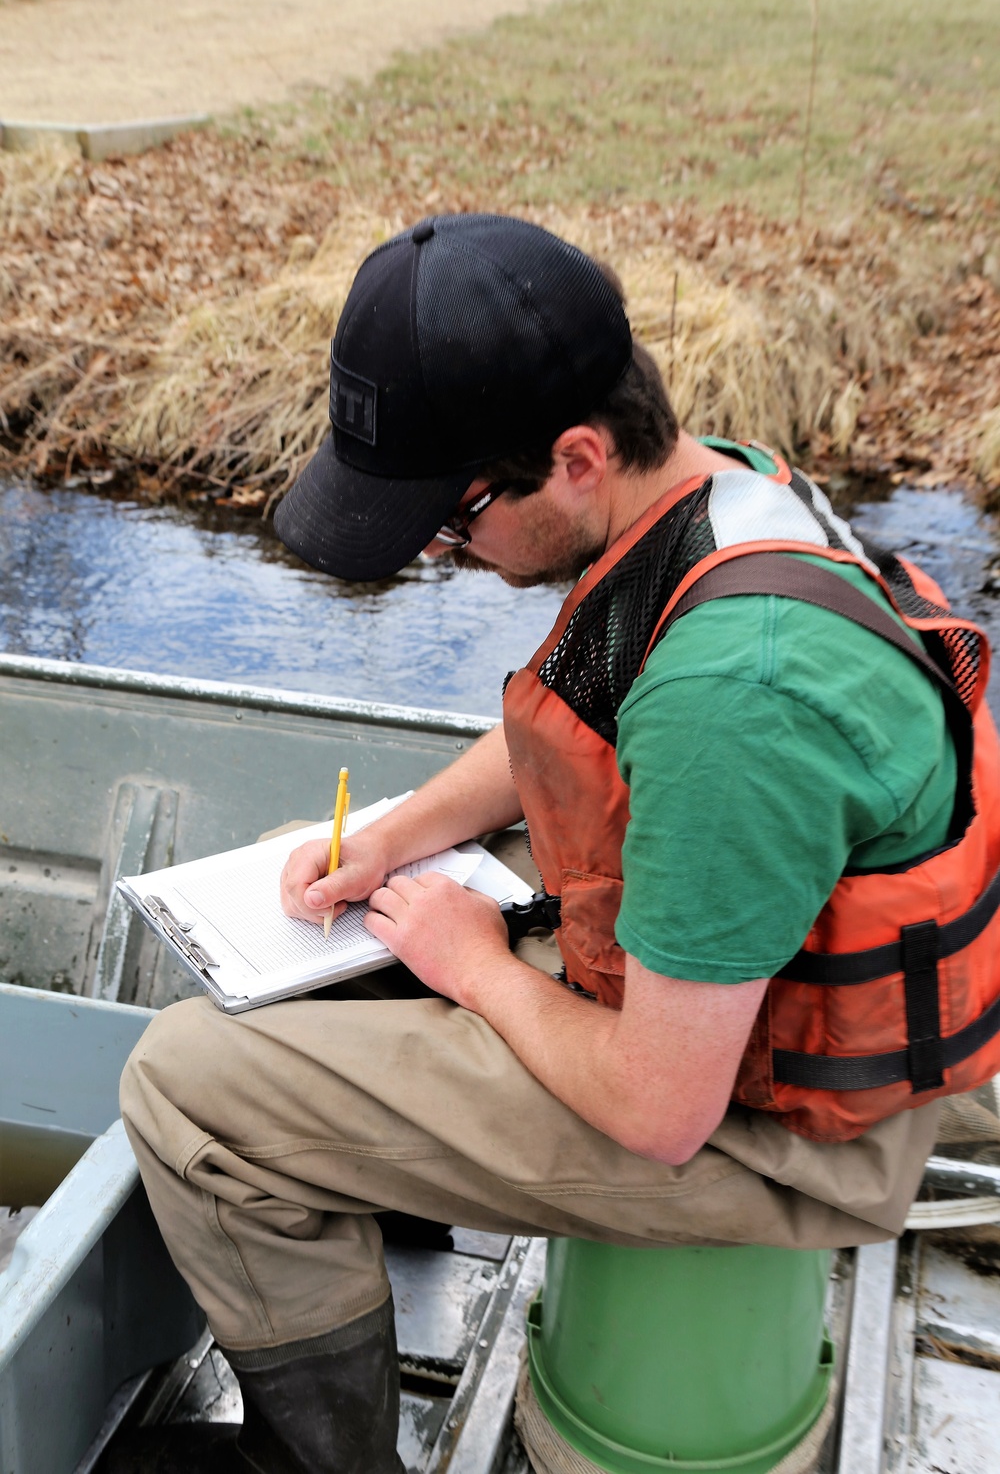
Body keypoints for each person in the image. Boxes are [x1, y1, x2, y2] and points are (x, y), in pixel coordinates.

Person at [118, 214, 1000, 1474]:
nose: (441, 554)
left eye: (453, 520)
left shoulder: (732, 698)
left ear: (576, 457)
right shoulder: (714, 493)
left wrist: (471, 961)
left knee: (187, 1084)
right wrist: (394, 839)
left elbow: (659, 1108)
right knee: (323, 872)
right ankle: (384, 1184)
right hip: (741, 1008)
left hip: (788, 1144)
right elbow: (569, 726)